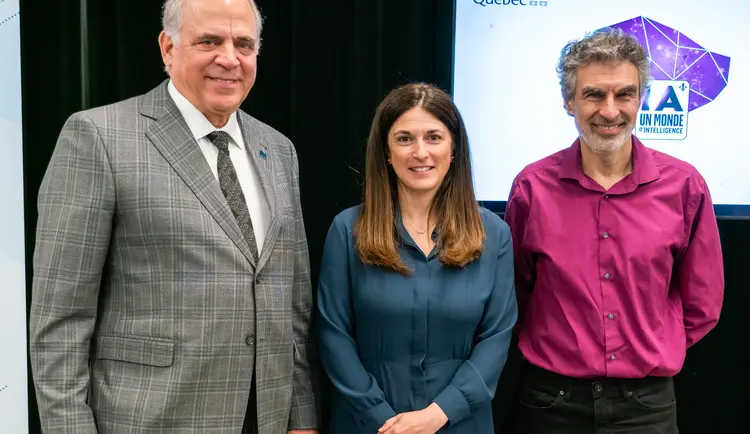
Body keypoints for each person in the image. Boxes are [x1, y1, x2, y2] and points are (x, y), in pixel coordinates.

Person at [28, 0, 318, 433]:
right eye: (209, 41)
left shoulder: (278, 149)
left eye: (244, 44)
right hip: (150, 419)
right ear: (168, 47)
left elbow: (292, 301)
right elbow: (60, 324)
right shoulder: (98, 138)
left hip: (266, 420)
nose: (229, 58)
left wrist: (301, 417)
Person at [504, 28, 724, 434]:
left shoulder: (684, 186)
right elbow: (515, 295)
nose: (610, 111)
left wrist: (649, 346)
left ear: (640, 99)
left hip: (646, 407)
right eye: (593, 95)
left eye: (624, 94)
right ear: (569, 101)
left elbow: (702, 303)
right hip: (550, 404)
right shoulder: (531, 188)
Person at [317, 83, 518, 434]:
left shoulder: (495, 235)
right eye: (405, 138)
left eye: (434, 137)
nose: (420, 152)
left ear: (454, 148)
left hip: (460, 423)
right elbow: (333, 335)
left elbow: (496, 338)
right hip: (369, 425)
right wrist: (384, 421)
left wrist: (438, 414)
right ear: (385, 151)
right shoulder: (347, 230)